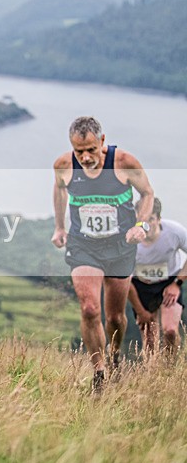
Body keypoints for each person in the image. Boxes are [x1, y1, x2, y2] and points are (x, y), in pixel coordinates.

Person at [52, 116, 154, 392]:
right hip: (84, 245)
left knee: (114, 318)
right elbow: (59, 190)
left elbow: (147, 194)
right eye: (79, 151)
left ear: (103, 142)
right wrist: (60, 227)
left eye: (91, 150)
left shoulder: (124, 163)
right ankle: (98, 373)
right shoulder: (63, 165)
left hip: (120, 247)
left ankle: (115, 354)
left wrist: (140, 225)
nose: (85, 157)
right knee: (89, 308)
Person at [128, 197, 187, 356]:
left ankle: (169, 370)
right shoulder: (128, 239)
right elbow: (123, 280)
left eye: (151, 219)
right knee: (149, 339)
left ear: (159, 219)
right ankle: (152, 373)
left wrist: (177, 283)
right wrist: (140, 311)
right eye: (141, 220)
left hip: (168, 282)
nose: (146, 225)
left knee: (170, 331)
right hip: (139, 285)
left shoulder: (175, 232)